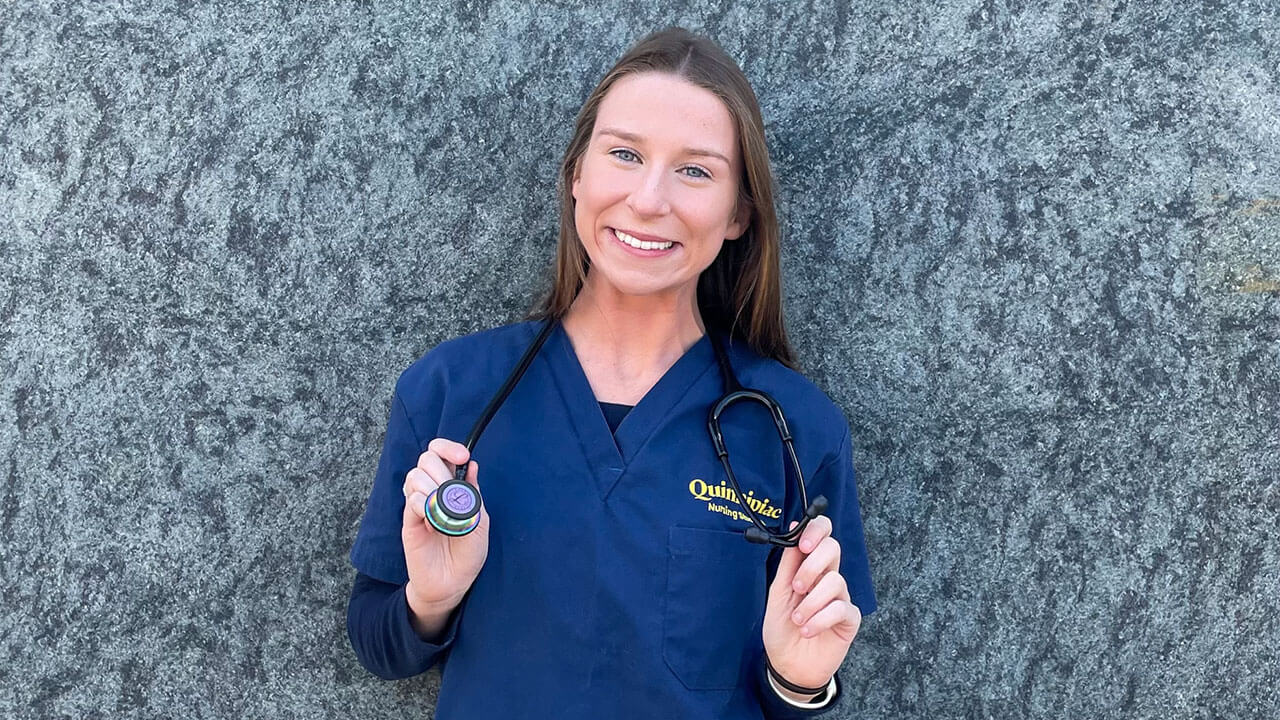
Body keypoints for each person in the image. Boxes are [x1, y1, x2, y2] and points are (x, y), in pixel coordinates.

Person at [346, 26, 876, 719]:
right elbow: (378, 646)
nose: (649, 199)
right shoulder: (453, 392)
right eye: (625, 154)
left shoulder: (793, 429)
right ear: (577, 174)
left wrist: (798, 683)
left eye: (695, 170)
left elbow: (793, 692)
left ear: (740, 212)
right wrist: (432, 599)